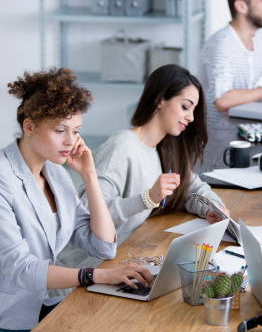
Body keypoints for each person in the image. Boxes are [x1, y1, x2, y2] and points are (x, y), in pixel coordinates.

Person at [0, 68, 153, 332]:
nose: (70, 141)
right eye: (59, 130)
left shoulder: (55, 173)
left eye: (76, 131)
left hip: (35, 306)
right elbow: (21, 269)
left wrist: (89, 176)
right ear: (29, 126)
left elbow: (103, 247)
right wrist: (95, 276)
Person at [56, 64, 228, 274]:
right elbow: (89, 214)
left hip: (120, 264)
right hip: (82, 274)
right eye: (185, 107)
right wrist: (147, 198)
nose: (191, 118)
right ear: (159, 100)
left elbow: (193, 188)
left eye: (193, 110)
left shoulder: (164, 149)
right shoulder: (122, 146)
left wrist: (214, 209)